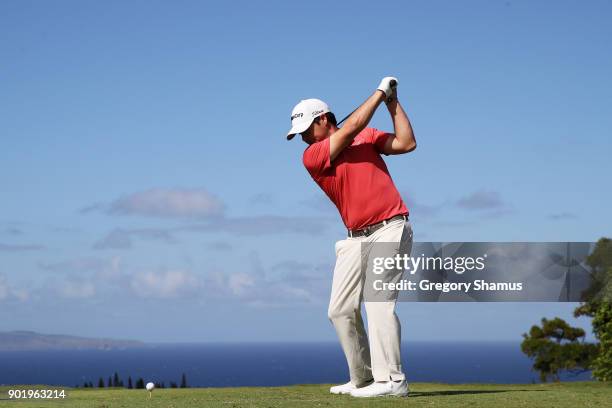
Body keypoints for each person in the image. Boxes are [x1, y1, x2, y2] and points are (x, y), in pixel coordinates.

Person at [286, 77, 417, 398]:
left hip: (390, 227)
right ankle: (364, 378)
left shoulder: (366, 137)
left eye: (305, 129)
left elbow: (406, 143)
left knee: (378, 305)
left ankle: (393, 381)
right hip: (354, 239)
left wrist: (392, 102)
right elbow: (353, 125)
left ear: (323, 119)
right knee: (340, 310)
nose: (303, 137)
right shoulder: (314, 155)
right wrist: (379, 92)